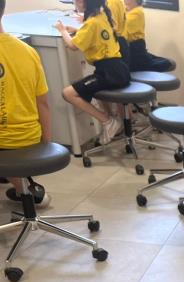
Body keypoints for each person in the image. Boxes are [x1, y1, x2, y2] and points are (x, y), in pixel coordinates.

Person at [0, 0, 53, 207]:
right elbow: (43, 104)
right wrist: (46, 144)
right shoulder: (28, 51)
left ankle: (27, 191)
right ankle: (25, 189)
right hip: (32, 138)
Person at [54, 0, 128, 145]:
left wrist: (62, 30)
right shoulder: (102, 15)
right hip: (119, 70)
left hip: (108, 73)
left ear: (85, 3)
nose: (75, 2)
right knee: (93, 88)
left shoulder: (92, 22)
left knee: (68, 93)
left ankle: (108, 122)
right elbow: (94, 33)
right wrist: (77, 31)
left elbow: (72, 45)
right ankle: (112, 122)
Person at [124, 0, 174, 72]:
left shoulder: (137, 12)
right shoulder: (124, 9)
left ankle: (165, 63)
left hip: (135, 49)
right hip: (128, 48)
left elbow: (122, 28)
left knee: (164, 63)